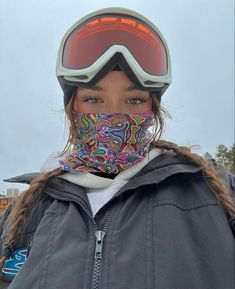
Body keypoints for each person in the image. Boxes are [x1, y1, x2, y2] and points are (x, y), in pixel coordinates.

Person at [0, 7, 234, 289]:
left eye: (134, 100)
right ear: (72, 108)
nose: (113, 114)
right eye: (94, 100)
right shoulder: (29, 210)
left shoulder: (216, 195)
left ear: (152, 108)